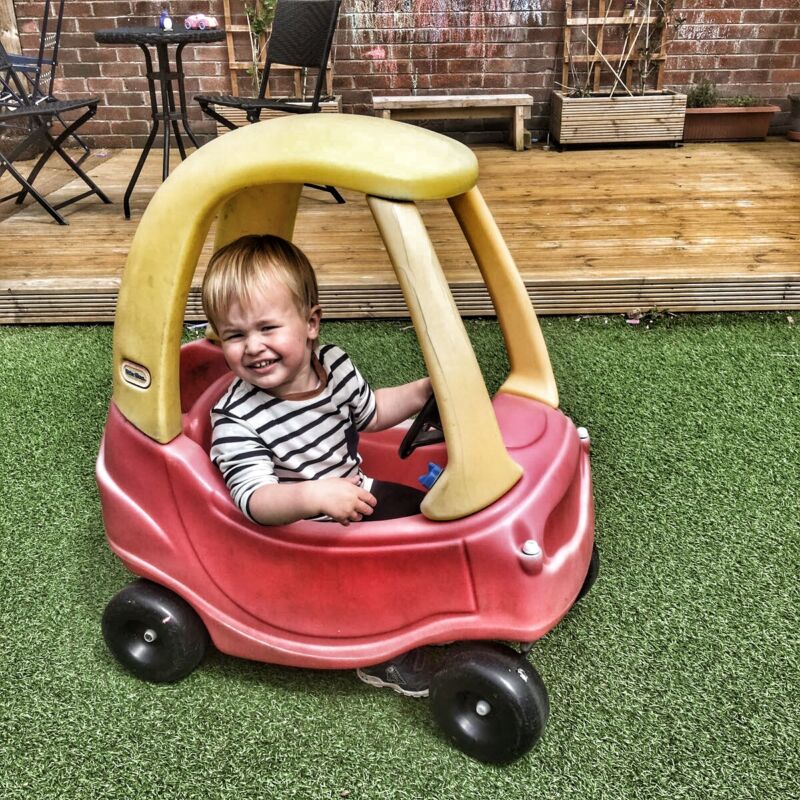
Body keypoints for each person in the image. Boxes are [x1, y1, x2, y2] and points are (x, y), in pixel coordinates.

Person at [201, 234, 436, 695]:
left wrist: (421, 392)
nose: (252, 347)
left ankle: (436, 599)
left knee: (430, 515)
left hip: (355, 493)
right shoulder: (236, 417)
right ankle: (384, 652)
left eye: (267, 328)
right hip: (304, 532)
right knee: (383, 569)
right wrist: (314, 495)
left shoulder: (333, 364)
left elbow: (370, 413)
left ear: (310, 323)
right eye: (234, 335)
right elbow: (254, 499)